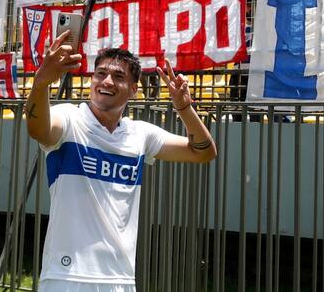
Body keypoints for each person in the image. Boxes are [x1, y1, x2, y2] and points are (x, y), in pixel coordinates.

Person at [25, 35, 217, 291]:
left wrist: (184, 108)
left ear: (134, 88)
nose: (106, 81)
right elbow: (39, 130)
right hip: (66, 277)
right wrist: (41, 83)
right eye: (100, 73)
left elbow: (203, 152)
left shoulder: (141, 134)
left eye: (118, 76)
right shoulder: (69, 118)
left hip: (121, 280)